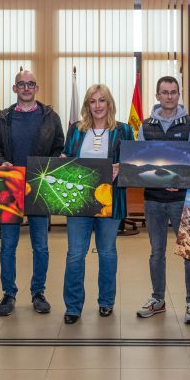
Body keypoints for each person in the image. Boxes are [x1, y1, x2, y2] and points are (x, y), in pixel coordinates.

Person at [0, 69, 64, 316]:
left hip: (40, 187)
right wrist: (2, 163)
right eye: (21, 84)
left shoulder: (50, 117)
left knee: (40, 246)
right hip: (11, 188)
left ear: (37, 88)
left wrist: (49, 165)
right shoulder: (3, 118)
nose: (26, 88)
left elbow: (59, 147)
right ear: (14, 89)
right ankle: (8, 293)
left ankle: (38, 292)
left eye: (31, 83)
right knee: (7, 246)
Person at [61, 84, 134, 324]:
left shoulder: (122, 130)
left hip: (109, 202)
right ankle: (73, 306)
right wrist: (62, 163)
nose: (98, 105)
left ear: (109, 103)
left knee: (107, 253)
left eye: (102, 100)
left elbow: (132, 164)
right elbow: (67, 159)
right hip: (78, 202)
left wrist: (120, 168)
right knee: (75, 255)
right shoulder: (75, 130)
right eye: (93, 101)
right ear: (87, 105)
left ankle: (106, 302)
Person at [135, 75, 190, 323]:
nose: (169, 96)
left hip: (182, 200)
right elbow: (140, 162)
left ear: (179, 94)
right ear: (157, 96)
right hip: (153, 199)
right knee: (157, 252)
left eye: (173, 92)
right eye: (164, 92)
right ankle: (158, 300)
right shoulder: (145, 126)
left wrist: (180, 182)